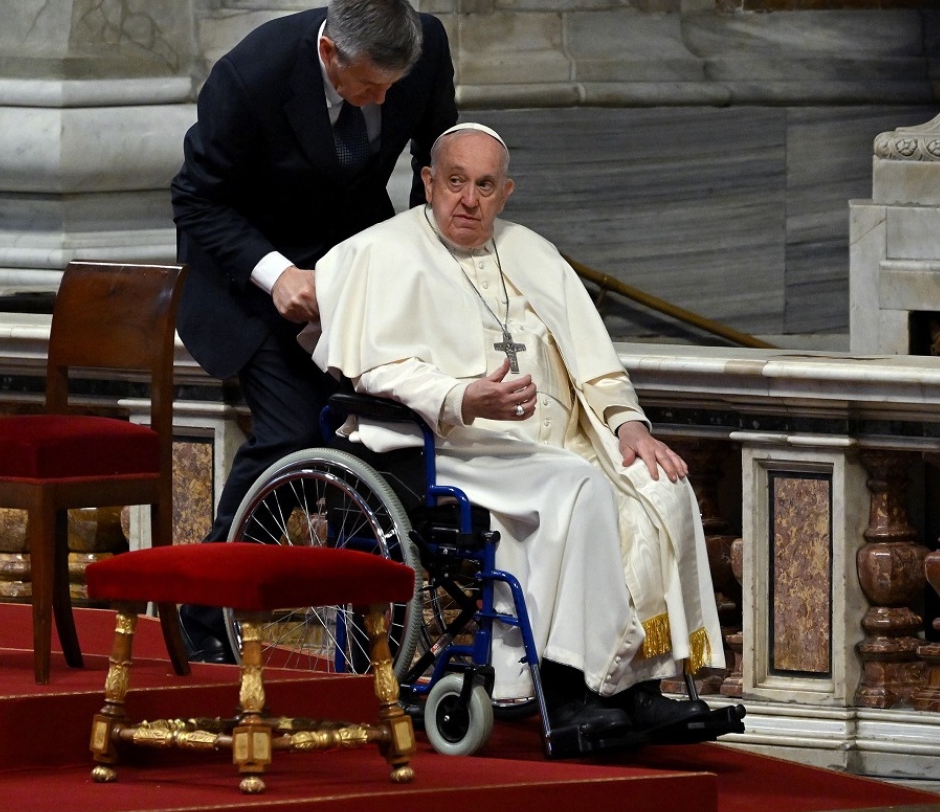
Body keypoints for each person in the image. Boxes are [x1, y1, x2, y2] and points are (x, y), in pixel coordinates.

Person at [310, 123, 723, 736]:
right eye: (454, 182)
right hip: (448, 449)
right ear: (427, 182)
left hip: (550, 444)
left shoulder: (531, 251)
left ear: (505, 193)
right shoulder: (382, 253)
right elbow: (378, 372)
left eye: (483, 186)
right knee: (577, 491)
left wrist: (629, 424)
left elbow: (595, 358)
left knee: (658, 485)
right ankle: (568, 689)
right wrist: (462, 397)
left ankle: (637, 681)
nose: (467, 200)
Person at [171, 0, 458, 662]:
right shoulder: (251, 75)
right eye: (367, 87)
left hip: (355, 266)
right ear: (329, 51)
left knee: (383, 432)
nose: (383, 100)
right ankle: (208, 615)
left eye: (394, 85)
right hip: (249, 272)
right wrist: (277, 274)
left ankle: (365, 639)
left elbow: (435, 158)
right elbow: (196, 199)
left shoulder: (426, 46)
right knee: (294, 430)